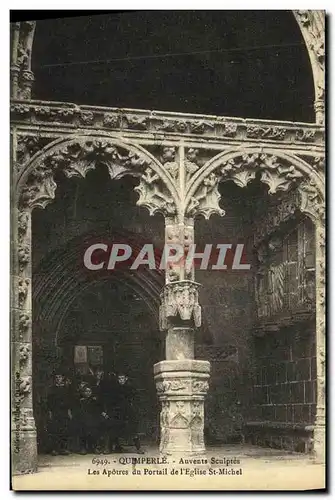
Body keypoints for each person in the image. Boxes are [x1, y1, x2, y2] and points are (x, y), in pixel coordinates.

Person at [110, 373, 144, 454]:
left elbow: (136, 398)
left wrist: (133, 407)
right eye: (119, 379)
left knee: (133, 429)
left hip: (129, 411)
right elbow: (113, 400)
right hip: (119, 411)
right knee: (117, 428)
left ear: (126, 378)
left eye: (122, 378)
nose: (121, 380)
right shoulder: (115, 389)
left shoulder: (130, 388)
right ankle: (118, 446)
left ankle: (138, 448)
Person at [47, 372, 72, 455]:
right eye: (56, 377)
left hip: (64, 412)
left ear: (62, 378)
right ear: (55, 379)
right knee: (55, 430)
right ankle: (55, 449)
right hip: (55, 411)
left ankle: (63, 449)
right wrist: (50, 412)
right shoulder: (51, 389)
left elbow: (68, 401)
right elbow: (49, 402)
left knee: (64, 430)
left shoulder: (66, 388)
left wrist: (69, 412)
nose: (58, 379)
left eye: (60, 377)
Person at [77, 385, 102, 454]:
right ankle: (83, 447)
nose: (88, 393)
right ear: (83, 392)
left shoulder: (94, 401)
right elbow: (79, 412)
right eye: (86, 391)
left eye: (89, 391)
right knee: (83, 430)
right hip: (83, 420)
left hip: (92, 420)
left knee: (94, 430)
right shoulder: (81, 401)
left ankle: (94, 447)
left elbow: (97, 411)